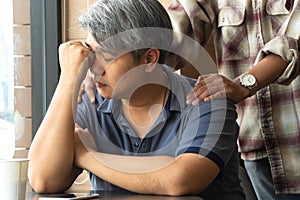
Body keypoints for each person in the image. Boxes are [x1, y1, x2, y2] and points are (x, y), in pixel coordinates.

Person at [28, 0, 245, 199]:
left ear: (149, 58)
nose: (94, 69)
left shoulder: (208, 101)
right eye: (90, 54)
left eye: (106, 57)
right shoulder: (92, 100)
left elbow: (182, 180)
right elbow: (43, 179)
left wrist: (87, 156)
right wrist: (68, 79)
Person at [167, 1, 299, 200]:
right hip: (252, 146)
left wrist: (241, 86)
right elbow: (179, 25)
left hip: (294, 141)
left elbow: (293, 44)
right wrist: (142, 54)